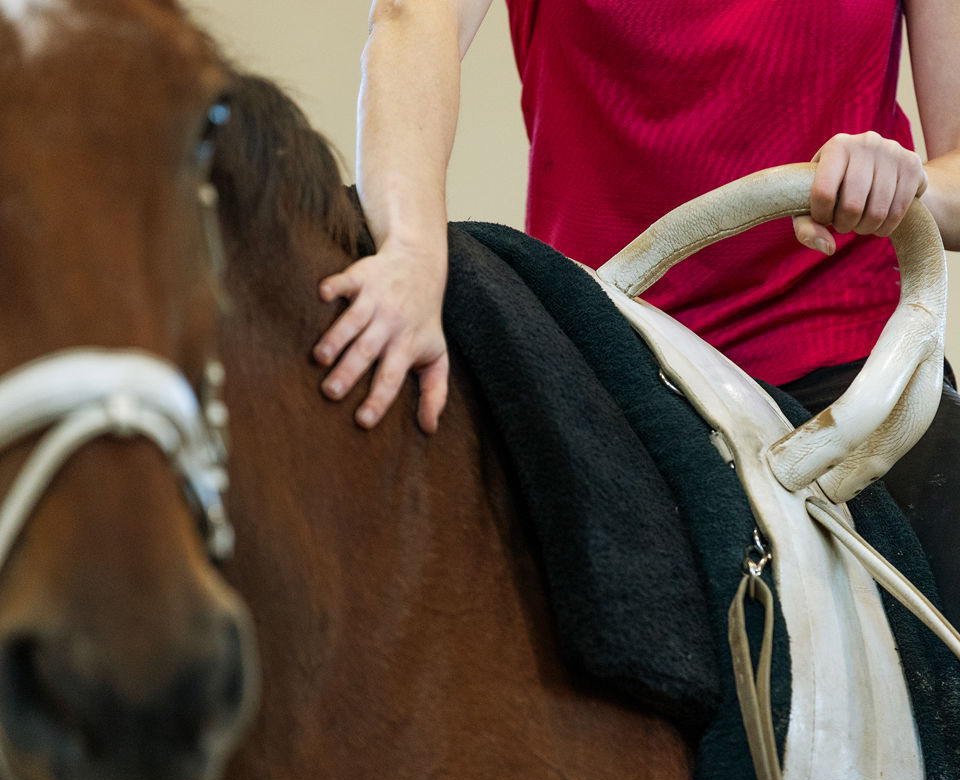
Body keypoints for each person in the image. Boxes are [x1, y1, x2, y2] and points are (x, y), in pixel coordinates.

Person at [316, 0, 960, 617]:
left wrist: (897, 186)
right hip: (610, 368)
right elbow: (413, 14)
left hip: (851, 378)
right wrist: (410, 251)